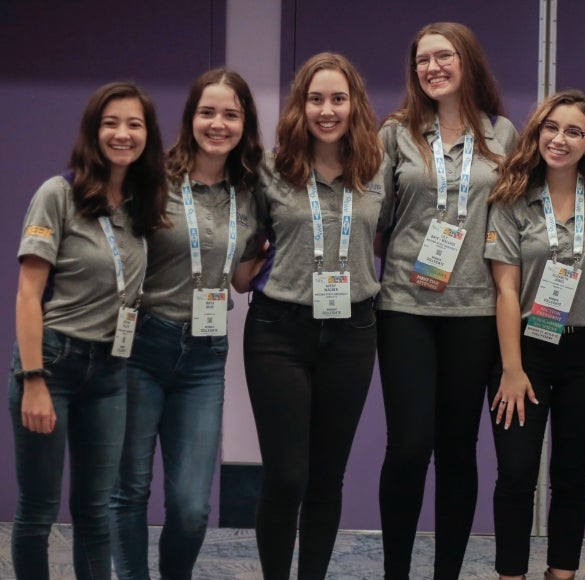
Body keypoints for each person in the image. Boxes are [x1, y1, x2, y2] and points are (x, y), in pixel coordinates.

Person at [108, 68, 264, 580]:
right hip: (142, 347)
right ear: (190, 117)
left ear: (245, 122)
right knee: (129, 489)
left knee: (193, 506)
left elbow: (240, 279)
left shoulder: (249, 191)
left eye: (231, 114)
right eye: (207, 112)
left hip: (204, 355)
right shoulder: (152, 177)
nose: (218, 124)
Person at [9, 81, 167, 579]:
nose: (123, 134)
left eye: (135, 124)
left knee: (96, 512)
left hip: (110, 372)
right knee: (38, 511)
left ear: (148, 135)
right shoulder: (58, 194)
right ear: (93, 131)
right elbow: (28, 295)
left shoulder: (142, 205)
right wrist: (33, 379)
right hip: (52, 364)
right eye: (111, 123)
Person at [377, 22, 517, 579]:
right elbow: (377, 218)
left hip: (475, 311)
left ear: (468, 62)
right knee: (409, 447)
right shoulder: (396, 133)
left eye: (443, 56)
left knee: (458, 451)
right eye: (422, 60)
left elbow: (512, 218)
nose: (431, 68)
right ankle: (395, 571)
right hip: (405, 308)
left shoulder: (502, 132)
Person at [242, 52, 386, 580]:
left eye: (339, 99)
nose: (327, 110)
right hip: (279, 332)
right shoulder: (270, 170)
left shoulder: (377, 169)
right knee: (286, 476)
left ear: (356, 106)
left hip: (353, 330)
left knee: (328, 477)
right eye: (316, 99)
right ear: (300, 107)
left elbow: (392, 234)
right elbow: (245, 239)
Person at [484, 90, 585, 580]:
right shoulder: (511, 199)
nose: (560, 139)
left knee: (571, 478)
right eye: (551, 128)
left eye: (574, 131)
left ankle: (562, 574)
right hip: (525, 349)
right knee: (516, 475)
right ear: (537, 133)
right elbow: (506, 288)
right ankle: (511, 575)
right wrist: (513, 369)